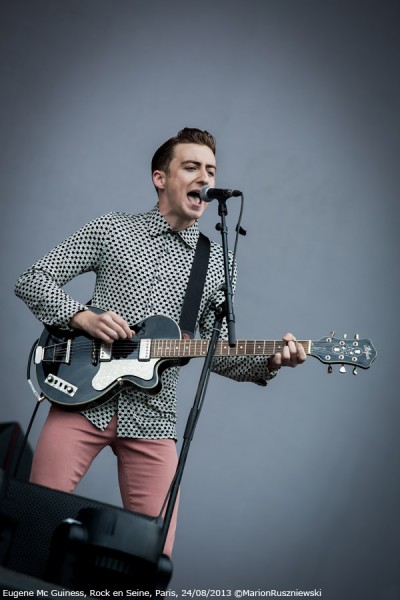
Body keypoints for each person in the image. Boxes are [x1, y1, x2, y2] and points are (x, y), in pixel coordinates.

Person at [15, 127, 306, 557]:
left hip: (152, 419)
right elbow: (33, 280)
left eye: (210, 170)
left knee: (153, 557)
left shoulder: (217, 264)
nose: (204, 178)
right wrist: (84, 317)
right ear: (160, 178)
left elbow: (217, 354)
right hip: (81, 398)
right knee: (33, 529)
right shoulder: (111, 230)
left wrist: (272, 361)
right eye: (191, 167)